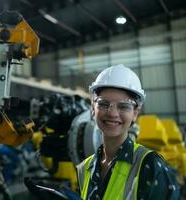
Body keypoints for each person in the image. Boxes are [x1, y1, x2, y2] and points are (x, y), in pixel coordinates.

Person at [76, 64, 179, 200]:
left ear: (135, 113)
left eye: (124, 106)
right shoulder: (85, 168)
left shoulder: (151, 166)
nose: (112, 113)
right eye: (103, 104)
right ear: (93, 108)